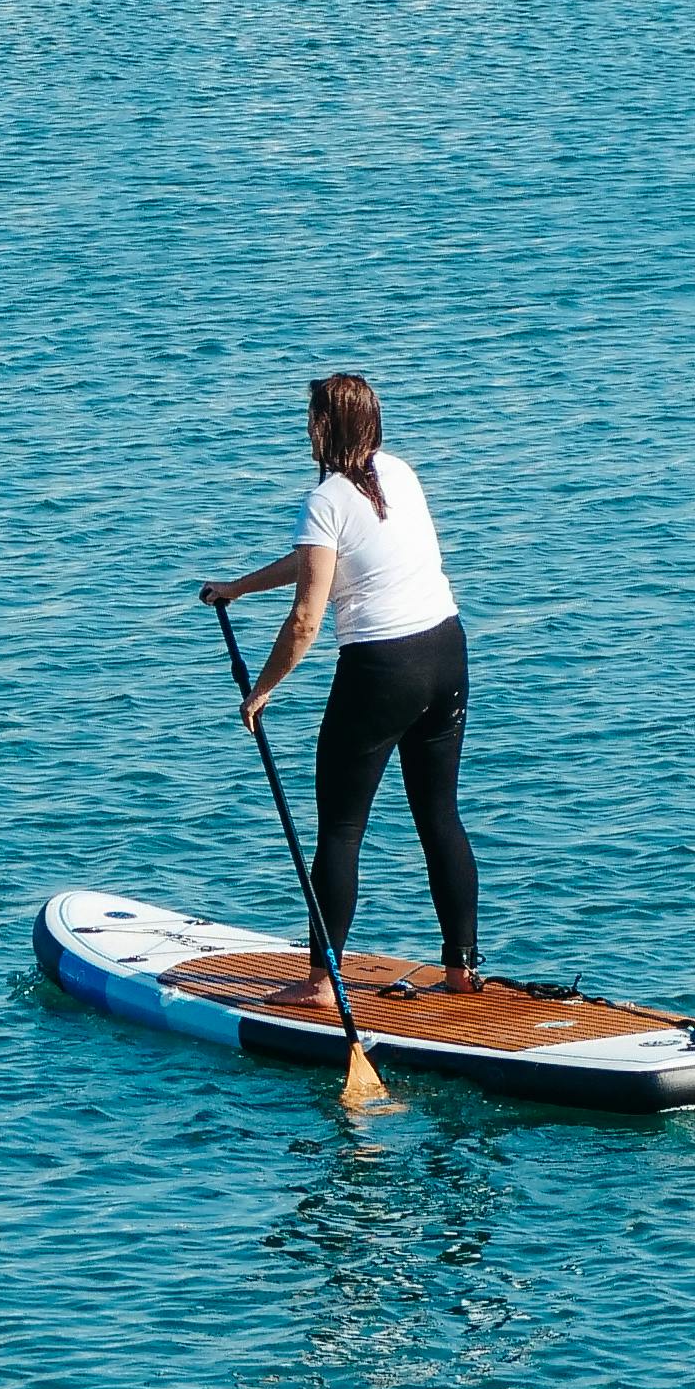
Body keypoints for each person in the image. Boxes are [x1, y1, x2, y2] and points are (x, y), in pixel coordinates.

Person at [199, 372, 480, 995]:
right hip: (447, 653)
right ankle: (462, 969)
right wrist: (239, 588)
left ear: (323, 428)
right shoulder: (400, 473)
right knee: (439, 816)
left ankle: (322, 980)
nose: (305, 429)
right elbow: (320, 556)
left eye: (310, 418)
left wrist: (263, 689)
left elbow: (306, 617)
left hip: (383, 671)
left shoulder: (325, 499)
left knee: (341, 829)